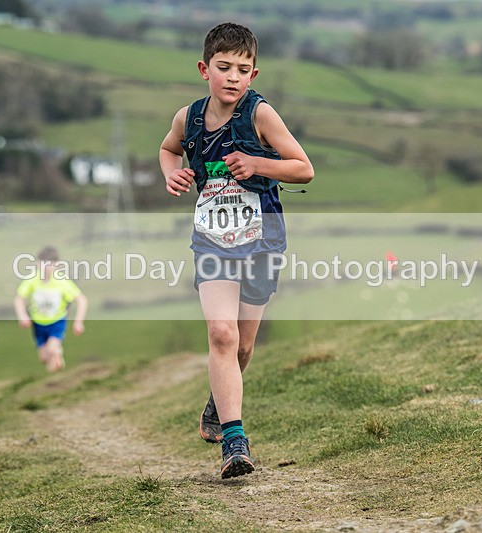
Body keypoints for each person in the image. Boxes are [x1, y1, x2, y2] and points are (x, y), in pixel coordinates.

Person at [159, 22, 314, 479]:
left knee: (244, 346)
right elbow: (169, 150)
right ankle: (234, 442)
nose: (232, 77)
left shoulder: (260, 116)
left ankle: (217, 400)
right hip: (212, 240)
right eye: (223, 68)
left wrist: (258, 164)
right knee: (222, 336)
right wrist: (172, 173)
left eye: (242, 70)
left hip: (262, 239)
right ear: (204, 69)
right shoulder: (186, 118)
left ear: (254, 74)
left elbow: (304, 169)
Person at [13, 246, 87, 372]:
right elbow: (19, 298)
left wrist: (78, 322)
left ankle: (55, 378)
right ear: (37, 263)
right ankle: (54, 365)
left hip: (57, 321)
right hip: (38, 323)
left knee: (52, 350)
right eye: (43, 263)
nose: (46, 267)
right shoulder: (32, 279)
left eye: (50, 264)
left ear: (57, 265)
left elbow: (81, 300)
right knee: (44, 357)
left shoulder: (62, 281)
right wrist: (22, 316)